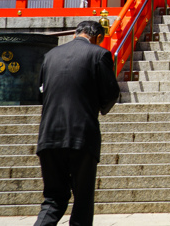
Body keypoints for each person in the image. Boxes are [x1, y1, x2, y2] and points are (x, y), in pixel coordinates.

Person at [34, 20, 120, 226]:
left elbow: (41, 95)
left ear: (76, 34)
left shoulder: (50, 56)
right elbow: (110, 93)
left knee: (53, 199)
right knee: (82, 199)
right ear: (98, 37)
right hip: (81, 135)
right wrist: (97, 105)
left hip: (49, 136)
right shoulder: (99, 54)